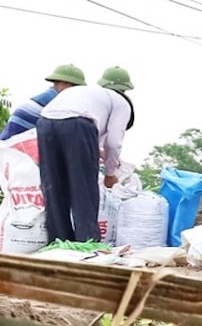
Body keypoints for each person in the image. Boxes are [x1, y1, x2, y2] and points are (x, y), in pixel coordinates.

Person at [35, 66, 134, 243]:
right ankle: (86, 243)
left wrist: (98, 152)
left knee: (53, 185)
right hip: (78, 124)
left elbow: (79, 133)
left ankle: (58, 242)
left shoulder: (90, 95)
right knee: (83, 187)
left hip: (45, 122)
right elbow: (113, 142)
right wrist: (110, 175)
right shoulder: (123, 103)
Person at [1, 64, 86, 140]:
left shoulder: (48, 96)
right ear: (63, 84)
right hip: (17, 142)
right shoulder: (57, 100)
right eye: (74, 86)